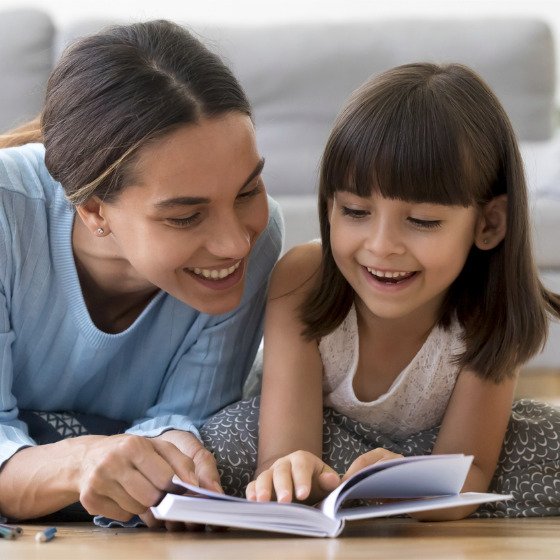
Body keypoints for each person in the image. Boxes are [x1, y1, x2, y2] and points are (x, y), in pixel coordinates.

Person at [244, 62, 560, 518]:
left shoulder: (489, 311)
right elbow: (282, 456)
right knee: (229, 435)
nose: (382, 246)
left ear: (488, 224)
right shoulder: (303, 278)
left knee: (543, 443)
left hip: (430, 451)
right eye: (354, 211)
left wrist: (407, 481)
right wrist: (293, 473)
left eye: (422, 221)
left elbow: (469, 473)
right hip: (320, 440)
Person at [0, 20, 282, 526]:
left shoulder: (261, 243)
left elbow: (186, 416)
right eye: (185, 216)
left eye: (248, 192)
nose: (236, 242)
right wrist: (84, 460)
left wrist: (175, 447)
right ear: (93, 211)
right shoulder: (6, 217)